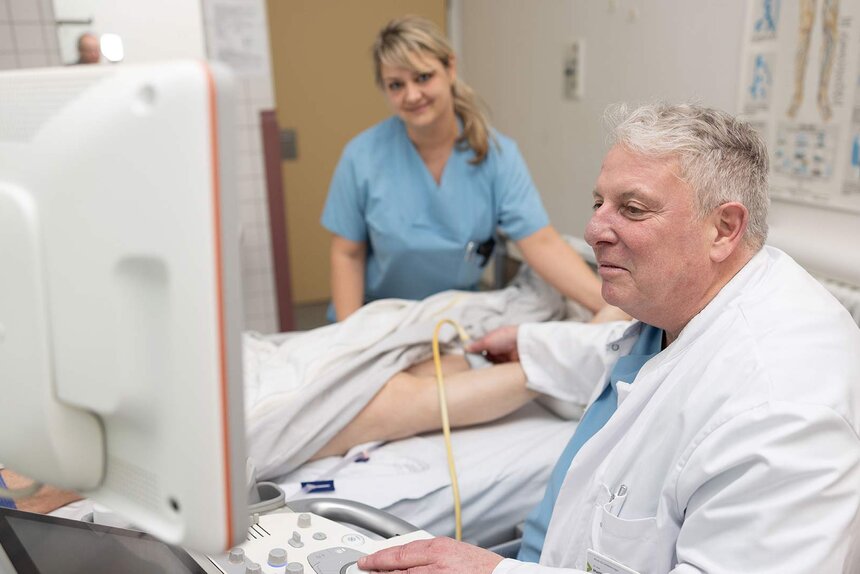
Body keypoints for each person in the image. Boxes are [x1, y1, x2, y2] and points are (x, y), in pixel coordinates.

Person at [356, 103, 860, 573]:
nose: (594, 229)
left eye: (633, 209)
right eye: (599, 202)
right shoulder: (689, 305)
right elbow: (625, 356)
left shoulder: (779, 412)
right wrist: (528, 342)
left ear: (724, 228)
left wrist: (494, 571)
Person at [321, 16, 618, 322]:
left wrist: (609, 305)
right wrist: (351, 336)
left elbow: (540, 242)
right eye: (396, 85)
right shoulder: (362, 157)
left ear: (450, 68)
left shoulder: (496, 155)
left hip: (456, 319)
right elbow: (347, 254)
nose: (411, 95)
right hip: (379, 317)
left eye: (423, 77)